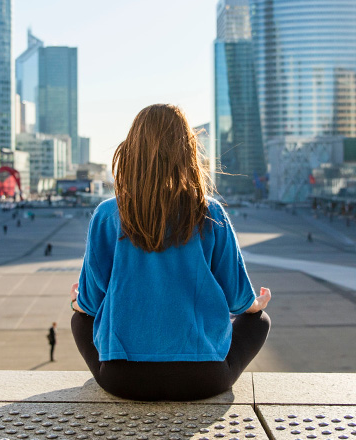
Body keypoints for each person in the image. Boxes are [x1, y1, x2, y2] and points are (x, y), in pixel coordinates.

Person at [70, 104, 272, 402]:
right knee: (260, 321)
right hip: (204, 380)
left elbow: (89, 303)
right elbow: (239, 301)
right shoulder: (210, 212)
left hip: (123, 380)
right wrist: (256, 305)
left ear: (131, 152)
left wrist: (77, 301)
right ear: (188, 152)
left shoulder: (107, 214)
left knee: (79, 319)